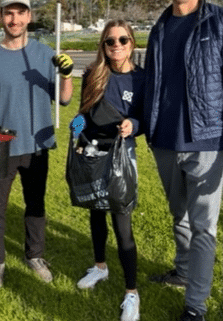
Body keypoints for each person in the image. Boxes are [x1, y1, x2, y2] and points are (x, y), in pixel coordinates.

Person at [0, 0, 74, 287]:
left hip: (37, 144)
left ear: (29, 16)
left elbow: (64, 100)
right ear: (1, 16)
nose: (14, 19)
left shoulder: (44, 54)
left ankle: (34, 255)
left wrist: (66, 74)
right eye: (8, 13)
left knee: (36, 204)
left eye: (20, 13)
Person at [143, 0, 223, 321]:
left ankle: (196, 308)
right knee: (179, 215)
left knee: (204, 225)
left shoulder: (218, 23)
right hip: (165, 140)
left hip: (208, 141)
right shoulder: (158, 29)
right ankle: (183, 271)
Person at [71, 20, 144, 321]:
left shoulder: (141, 79)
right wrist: (76, 135)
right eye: (110, 41)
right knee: (95, 213)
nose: (116, 46)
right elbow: (83, 113)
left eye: (122, 40)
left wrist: (134, 125)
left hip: (121, 156)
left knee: (122, 224)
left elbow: (146, 119)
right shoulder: (93, 74)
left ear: (132, 43)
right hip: (92, 153)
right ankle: (100, 267)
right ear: (102, 45)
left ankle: (131, 293)